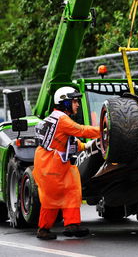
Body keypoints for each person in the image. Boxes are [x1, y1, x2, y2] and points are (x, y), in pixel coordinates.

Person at [33, 86, 101, 240]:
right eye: (74, 101)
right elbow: (81, 130)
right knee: (52, 197)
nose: (77, 104)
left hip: (52, 161)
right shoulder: (62, 119)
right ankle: (43, 229)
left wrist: (85, 146)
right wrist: (105, 129)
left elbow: (64, 140)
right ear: (64, 102)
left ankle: (72, 225)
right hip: (51, 163)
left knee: (72, 190)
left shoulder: (56, 118)